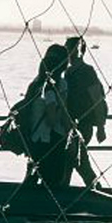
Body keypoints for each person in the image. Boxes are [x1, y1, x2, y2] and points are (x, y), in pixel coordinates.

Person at [24, 43, 72, 188]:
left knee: (33, 181)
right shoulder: (54, 88)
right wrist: (62, 103)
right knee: (53, 183)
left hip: (35, 139)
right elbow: (52, 120)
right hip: (50, 142)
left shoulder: (35, 85)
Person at [64, 36, 107, 188]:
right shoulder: (67, 72)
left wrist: (101, 127)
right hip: (68, 124)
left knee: (76, 159)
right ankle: (93, 186)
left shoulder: (87, 72)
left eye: (68, 50)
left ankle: (94, 187)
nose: (67, 54)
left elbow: (97, 99)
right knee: (74, 159)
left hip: (83, 124)